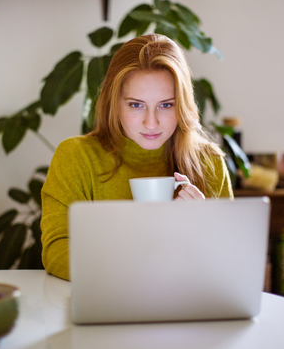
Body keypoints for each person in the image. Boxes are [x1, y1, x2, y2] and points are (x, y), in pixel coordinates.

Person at [41, 34, 233, 280]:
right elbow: (57, 251)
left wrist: (200, 231)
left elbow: (228, 264)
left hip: (186, 309)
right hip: (105, 306)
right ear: (114, 103)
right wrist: (137, 268)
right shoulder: (76, 157)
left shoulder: (209, 162)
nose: (151, 122)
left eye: (166, 105)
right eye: (135, 105)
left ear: (182, 105)